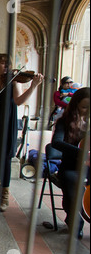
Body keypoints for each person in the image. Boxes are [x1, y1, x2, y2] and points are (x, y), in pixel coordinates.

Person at [0, 53, 44, 211]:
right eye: (4, 64)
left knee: (5, 157)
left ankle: (4, 194)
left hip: (8, 121)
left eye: (8, 64)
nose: (7, 67)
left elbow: (18, 101)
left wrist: (33, 86)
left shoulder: (14, 82)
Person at [51, 87, 89, 239]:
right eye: (84, 107)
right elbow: (56, 143)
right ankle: (75, 220)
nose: (87, 111)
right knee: (73, 181)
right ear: (75, 105)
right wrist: (82, 153)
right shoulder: (64, 122)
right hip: (71, 167)